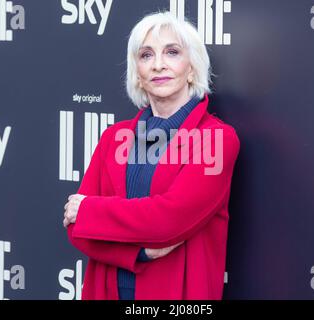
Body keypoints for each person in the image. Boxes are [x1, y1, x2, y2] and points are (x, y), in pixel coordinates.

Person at [63, 11, 240, 300]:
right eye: (146, 55)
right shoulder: (113, 138)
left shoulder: (217, 140)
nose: (158, 65)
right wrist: (139, 252)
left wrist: (89, 211)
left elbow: (169, 220)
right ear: (138, 74)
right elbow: (77, 231)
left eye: (172, 52)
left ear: (192, 68)